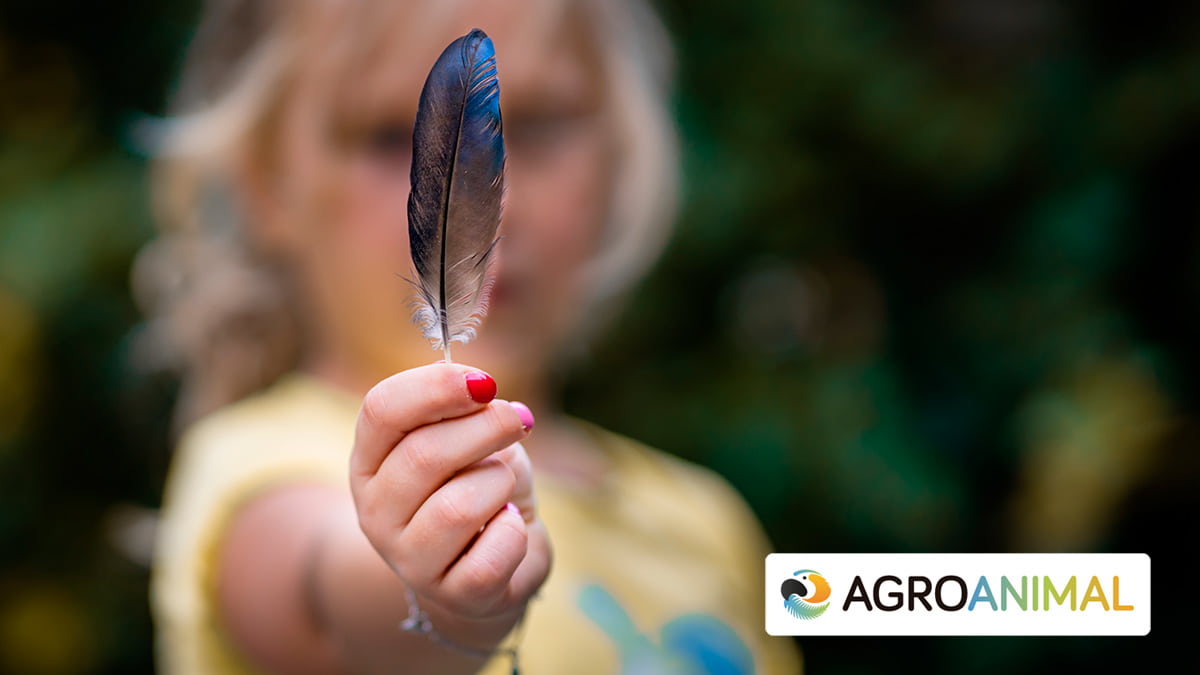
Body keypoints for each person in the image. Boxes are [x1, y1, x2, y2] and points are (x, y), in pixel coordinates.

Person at [137, 0, 803, 672]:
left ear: (617, 153)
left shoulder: (703, 523)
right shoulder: (261, 470)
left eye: (538, 127)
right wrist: (438, 596)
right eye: (395, 135)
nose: (493, 202)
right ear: (267, 182)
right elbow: (332, 598)